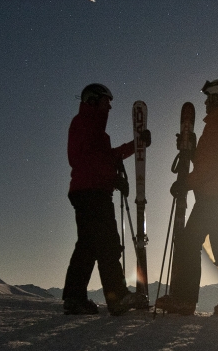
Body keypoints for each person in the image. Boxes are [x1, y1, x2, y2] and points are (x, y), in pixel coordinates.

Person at [156, 78, 218, 317]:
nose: (206, 102)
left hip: (214, 197)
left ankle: (184, 300)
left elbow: (210, 166)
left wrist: (186, 183)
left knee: (189, 241)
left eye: (209, 97)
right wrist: (194, 152)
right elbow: (213, 161)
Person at [62, 83, 151, 315]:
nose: (110, 106)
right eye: (106, 101)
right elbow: (87, 159)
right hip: (93, 192)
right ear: (93, 100)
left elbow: (105, 157)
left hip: (87, 191)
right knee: (108, 244)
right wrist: (114, 178)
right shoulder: (84, 125)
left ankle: (75, 298)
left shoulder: (93, 129)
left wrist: (135, 145)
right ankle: (117, 297)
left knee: (88, 246)